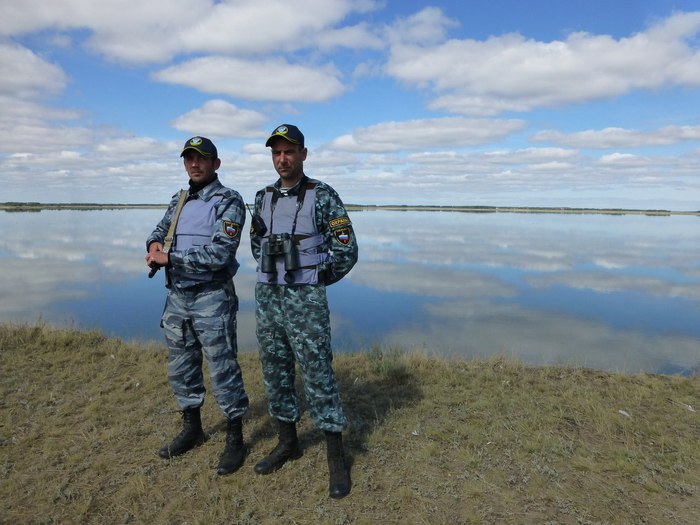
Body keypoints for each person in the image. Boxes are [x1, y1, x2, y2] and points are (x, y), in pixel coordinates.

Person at [250, 124, 358, 499]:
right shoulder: (262, 197)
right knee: (275, 371)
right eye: (276, 152)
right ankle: (287, 442)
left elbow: (347, 251)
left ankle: (335, 456)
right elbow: (255, 244)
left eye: (289, 151)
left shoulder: (322, 195)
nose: (283, 158)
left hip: (306, 301)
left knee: (317, 373)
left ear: (303, 154)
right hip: (269, 299)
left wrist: (315, 280)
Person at [146, 136, 249, 476]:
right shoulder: (179, 200)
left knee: (222, 369)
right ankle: (193, 428)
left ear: (215, 164)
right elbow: (159, 231)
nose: (195, 164)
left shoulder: (229, 200)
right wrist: (153, 243)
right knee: (181, 367)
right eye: (189, 158)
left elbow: (220, 253)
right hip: (177, 297)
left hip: (212, 298)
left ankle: (236, 438)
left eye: (202, 158)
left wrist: (169, 257)